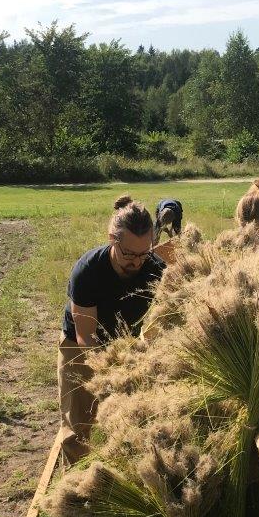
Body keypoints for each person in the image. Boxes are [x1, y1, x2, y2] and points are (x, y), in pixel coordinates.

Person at [58, 195, 166, 464]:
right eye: (129, 254)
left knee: (126, 416)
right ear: (112, 239)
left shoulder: (155, 269)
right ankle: (73, 489)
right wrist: (107, 377)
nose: (136, 262)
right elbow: (86, 336)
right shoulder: (88, 272)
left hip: (123, 344)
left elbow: (167, 312)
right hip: (81, 347)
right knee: (78, 424)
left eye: (144, 253)